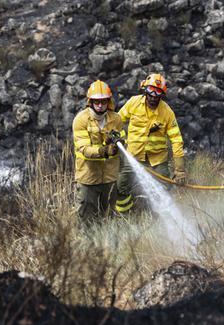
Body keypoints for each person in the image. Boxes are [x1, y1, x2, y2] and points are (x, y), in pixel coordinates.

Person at [115, 73, 186, 214]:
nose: (153, 96)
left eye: (157, 93)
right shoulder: (133, 103)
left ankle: (159, 216)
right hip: (133, 155)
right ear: (144, 90)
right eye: (151, 91)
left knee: (164, 187)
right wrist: (120, 137)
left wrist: (180, 170)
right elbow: (117, 121)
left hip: (157, 159)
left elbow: (177, 140)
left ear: (162, 95)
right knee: (121, 185)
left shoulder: (167, 113)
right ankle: (126, 215)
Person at [72, 80, 123, 220]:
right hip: (88, 179)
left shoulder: (116, 119)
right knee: (87, 221)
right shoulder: (81, 120)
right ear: (90, 102)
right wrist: (105, 151)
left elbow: (123, 143)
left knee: (109, 219)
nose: (100, 106)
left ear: (109, 101)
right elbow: (84, 149)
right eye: (96, 102)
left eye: (103, 102)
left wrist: (120, 145)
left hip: (110, 178)